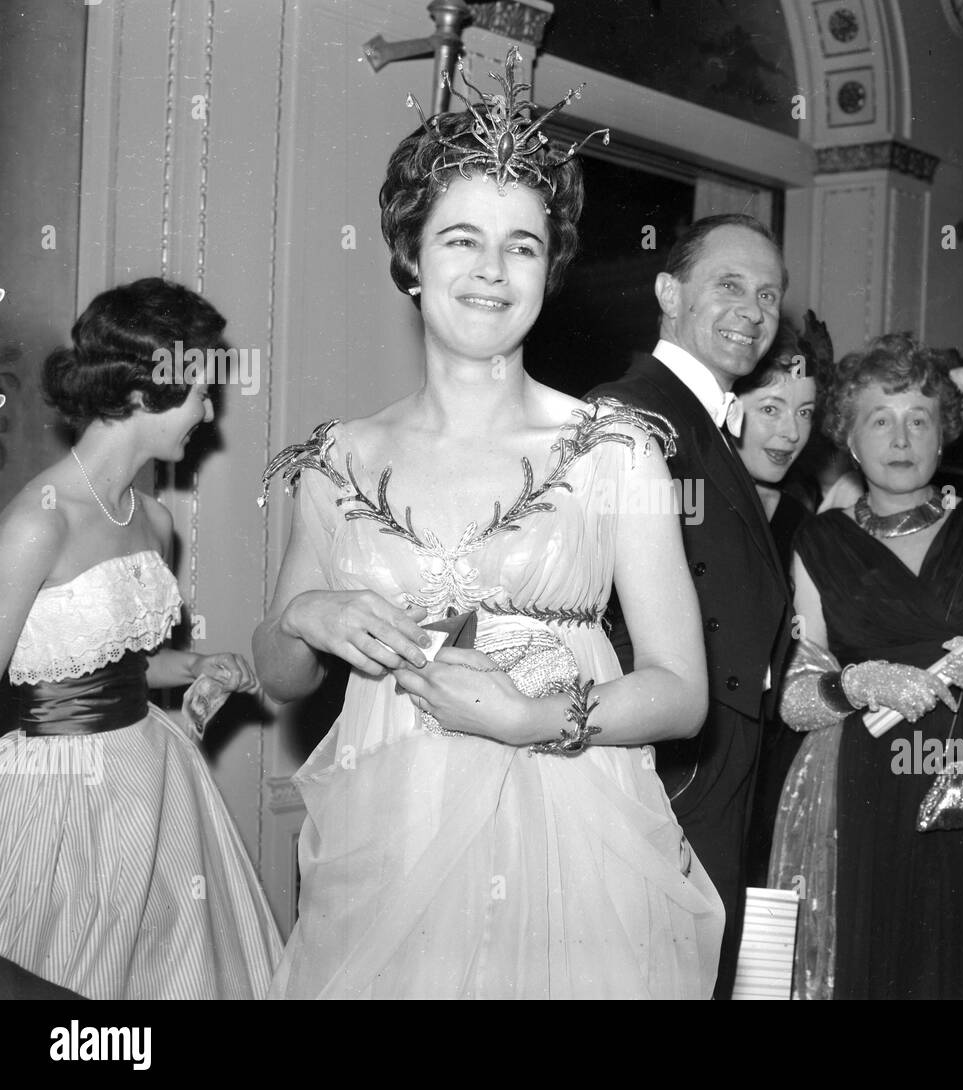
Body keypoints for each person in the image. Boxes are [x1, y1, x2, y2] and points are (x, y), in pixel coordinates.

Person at [254, 52, 724, 999]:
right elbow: (276, 672)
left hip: (571, 833)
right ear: (410, 259)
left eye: (522, 245)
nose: (491, 270)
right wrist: (307, 616)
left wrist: (525, 719)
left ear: (550, 270)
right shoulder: (336, 459)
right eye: (461, 239)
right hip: (387, 836)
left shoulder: (612, 449)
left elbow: (681, 692)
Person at [769, 334, 963, 1000]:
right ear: (849, 439)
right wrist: (858, 684)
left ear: (944, 435)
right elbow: (797, 695)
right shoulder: (820, 543)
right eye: (879, 420)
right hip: (866, 782)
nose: (901, 437)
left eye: (919, 419)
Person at [0, 277, 281, 1000]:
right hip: (57, 799)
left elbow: (113, 664)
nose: (210, 410)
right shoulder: (39, 523)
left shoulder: (155, 520)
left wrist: (193, 666)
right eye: (199, 390)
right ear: (142, 391)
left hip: (155, 781)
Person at [588, 213, 794, 997]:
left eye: (768, 295)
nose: (753, 310)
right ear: (668, 292)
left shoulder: (700, 417)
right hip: (671, 760)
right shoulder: (634, 410)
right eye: (731, 286)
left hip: (710, 752)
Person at [730, 315, 822, 885]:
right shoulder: (685, 505)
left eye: (805, 413)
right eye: (771, 409)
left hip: (779, 761)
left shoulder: (803, 524)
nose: (790, 433)